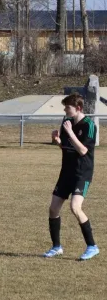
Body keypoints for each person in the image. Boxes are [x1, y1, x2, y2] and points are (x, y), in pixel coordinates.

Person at [45, 93, 99, 261]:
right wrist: (58, 141)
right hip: (66, 171)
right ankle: (56, 247)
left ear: (78, 108)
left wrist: (70, 132)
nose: (65, 110)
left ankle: (92, 246)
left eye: (67, 107)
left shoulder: (89, 125)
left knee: (75, 207)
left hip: (82, 173)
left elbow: (83, 150)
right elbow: (67, 148)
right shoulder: (66, 122)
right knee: (53, 208)